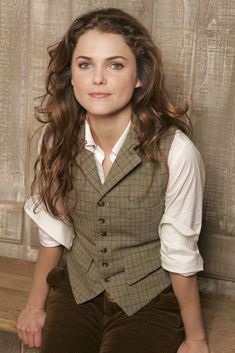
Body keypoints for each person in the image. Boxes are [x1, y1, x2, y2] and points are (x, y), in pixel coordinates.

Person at [16, 7, 210, 353]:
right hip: (77, 291)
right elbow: (54, 228)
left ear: (139, 76)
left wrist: (195, 339)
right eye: (85, 64)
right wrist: (35, 304)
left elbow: (180, 252)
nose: (98, 79)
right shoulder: (57, 139)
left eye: (115, 65)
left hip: (148, 301)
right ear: (71, 75)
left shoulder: (177, 152)